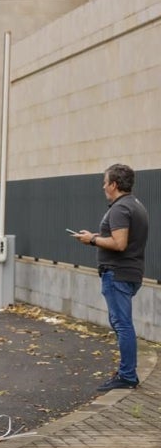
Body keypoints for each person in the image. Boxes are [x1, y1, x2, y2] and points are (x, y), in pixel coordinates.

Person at [75, 163, 150, 391]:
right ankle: (126, 371)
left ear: (114, 184)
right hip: (128, 272)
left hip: (117, 273)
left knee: (122, 324)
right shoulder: (135, 205)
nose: (103, 186)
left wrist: (93, 240)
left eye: (105, 182)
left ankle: (127, 375)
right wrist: (97, 236)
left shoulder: (119, 209)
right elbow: (120, 238)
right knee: (120, 323)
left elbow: (119, 243)